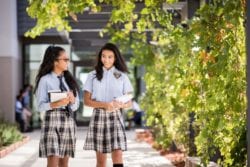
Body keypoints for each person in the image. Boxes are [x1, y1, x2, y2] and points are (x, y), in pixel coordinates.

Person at [83, 43, 133, 167]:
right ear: (100, 57)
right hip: (98, 117)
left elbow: (129, 102)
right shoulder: (92, 76)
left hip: (115, 116)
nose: (106, 59)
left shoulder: (122, 76)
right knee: (101, 161)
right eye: (104, 56)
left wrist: (121, 105)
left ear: (115, 58)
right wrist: (105, 105)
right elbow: (87, 101)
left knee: (118, 154)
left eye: (110, 57)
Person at [34, 46, 79, 167]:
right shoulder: (45, 80)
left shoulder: (70, 80)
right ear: (55, 61)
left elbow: (76, 106)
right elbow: (39, 106)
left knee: (64, 164)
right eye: (65, 59)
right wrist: (56, 104)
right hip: (51, 121)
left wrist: (73, 100)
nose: (67, 62)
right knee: (53, 160)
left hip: (68, 121)